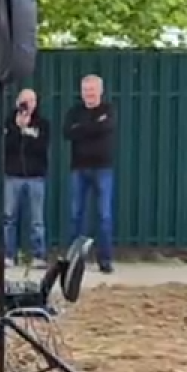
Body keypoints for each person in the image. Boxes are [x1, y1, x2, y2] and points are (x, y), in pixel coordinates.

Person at [65, 72, 116, 273]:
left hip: (103, 168)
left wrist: (82, 129)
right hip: (79, 168)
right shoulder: (74, 111)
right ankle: (74, 261)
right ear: (81, 92)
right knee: (76, 215)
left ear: (100, 91)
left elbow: (106, 127)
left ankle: (105, 260)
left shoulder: (108, 110)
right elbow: (67, 132)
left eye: (92, 89)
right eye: (86, 90)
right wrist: (94, 126)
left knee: (104, 216)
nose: (89, 93)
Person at [3, 86, 50, 268]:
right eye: (24, 100)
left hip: (35, 176)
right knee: (9, 217)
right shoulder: (9, 122)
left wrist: (28, 133)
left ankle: (38, 255)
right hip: (13, 175)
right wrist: (18, 129)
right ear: (18, 102)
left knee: (37, 220)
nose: (27, 104)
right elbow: (5, 146)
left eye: (31, 101)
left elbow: (42, 147)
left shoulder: (42, 124)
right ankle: (9, 254)